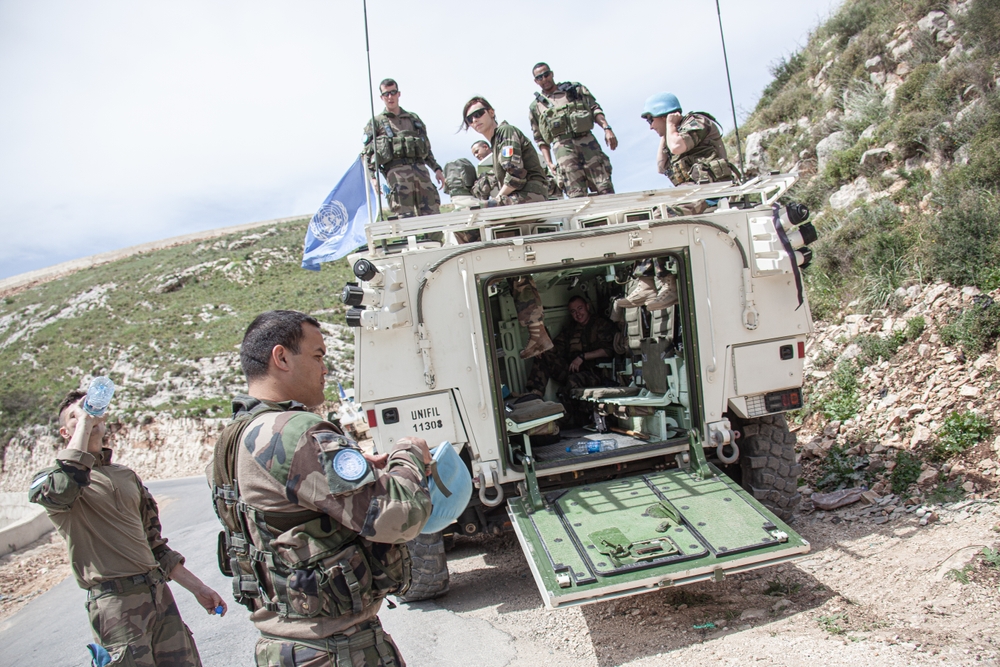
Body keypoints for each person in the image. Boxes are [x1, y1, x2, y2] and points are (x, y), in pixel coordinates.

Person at [212, 310, 432, 667]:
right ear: (281, 357)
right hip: (335, 650)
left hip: (282, 645)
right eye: (317, 356)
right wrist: (409, 454)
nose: (324, 369)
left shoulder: (233, 439)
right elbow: (399, 517)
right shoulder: (296, 431)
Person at [29, 389, 225, 667]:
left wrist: (198, 587)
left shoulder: (126, 476)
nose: (87, 416)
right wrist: (85, 423)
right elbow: (62, 489)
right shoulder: (53, 480)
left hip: (157, 594)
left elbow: (155, 546)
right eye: (76, 415)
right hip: (115, 605)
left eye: (91, 412)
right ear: (65, 432)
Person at [527, 63, 616, 198]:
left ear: (552, 74)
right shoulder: (536, 107)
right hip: (563, 150)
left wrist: (607, 128)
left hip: (587, 143)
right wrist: (549, 162)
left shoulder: (574, 89)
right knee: (576, 195)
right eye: (540, 77)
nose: (544, 79)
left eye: (546, 75)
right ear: (536, 81)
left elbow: (594, 108)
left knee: (604, 188)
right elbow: (539, 138)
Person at [523, 296, 618, 421]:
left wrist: (582, 357)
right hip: (573, 368)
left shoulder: (600, 324)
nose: (578, 314)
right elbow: (556, 348)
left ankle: (568, 418)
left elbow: (609, 351)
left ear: (587, 307)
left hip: (595, 373)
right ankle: (535, 395)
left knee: (572, 381)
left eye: (580, 308)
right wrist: (542, 348)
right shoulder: (571, 329)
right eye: (573, 311)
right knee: (544, 355)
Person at [363, 78, 444, 218]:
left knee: (432, 216)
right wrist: (373, 178)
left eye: (393, 92)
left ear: (399, 94)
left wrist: (436, 169)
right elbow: (368, 153)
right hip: (397, 176)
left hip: (421, 173)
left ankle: (435, 241)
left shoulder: (413, 119)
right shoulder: (376, 122)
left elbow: (426, 148)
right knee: (404, 219)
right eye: (386, 94)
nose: (390, 97)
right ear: (381, 97)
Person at [461, 96, 548, 206]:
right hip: (521, 196)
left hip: (530, 195)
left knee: (482, 209)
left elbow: (516, 174)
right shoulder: (496, 143)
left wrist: (497, 199)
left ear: (491, 112)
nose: (474, 120)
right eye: (469, 119)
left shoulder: (505, 131)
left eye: (478, 114)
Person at [641, 92, 733, 187]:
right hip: (696, 193)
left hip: (713, 189)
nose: (651, 127)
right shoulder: (672, 135)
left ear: (664, 116)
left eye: (650, 120)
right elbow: (661, 168)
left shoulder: (696, 121)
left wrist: (670, 124)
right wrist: (666, 133)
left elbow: (676, 147)